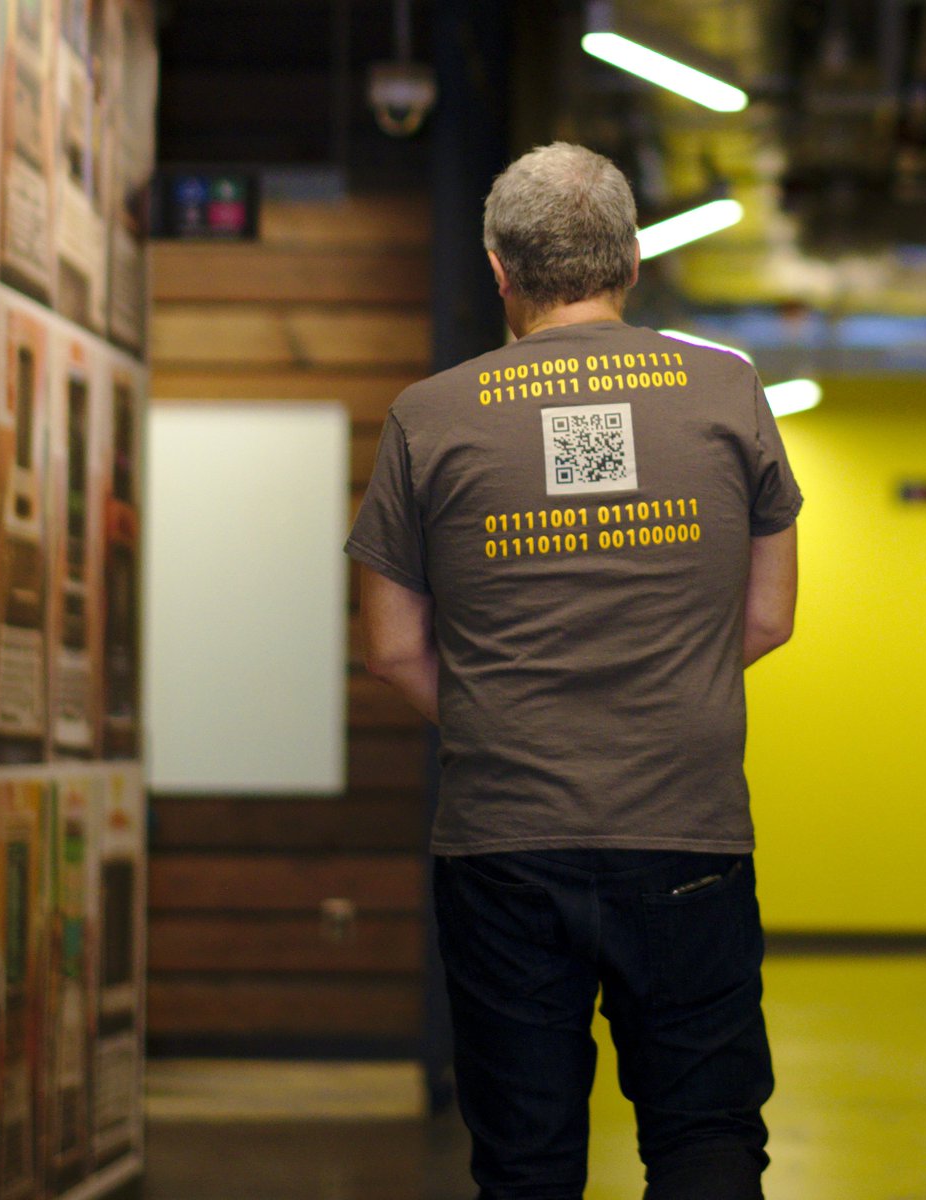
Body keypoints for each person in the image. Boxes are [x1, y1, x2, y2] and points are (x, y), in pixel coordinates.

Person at [346, 142, 802, 1200]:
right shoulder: (728, 391)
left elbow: (393, 647)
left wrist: (507, 713)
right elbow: (768, 616)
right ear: (631, 261)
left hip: (504, 841)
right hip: (685, 828)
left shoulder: (428, 415)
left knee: (525, 1161)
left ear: (498, 268)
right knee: (706, 1136)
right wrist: (662, 684)